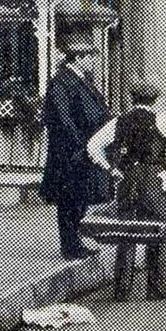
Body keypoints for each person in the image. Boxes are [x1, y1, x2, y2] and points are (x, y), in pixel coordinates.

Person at [97, 81, 166, 300]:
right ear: (154, 100)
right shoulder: (160, 120)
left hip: (128, 180)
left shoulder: (119, 122)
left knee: (126, 234)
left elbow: (93, 146)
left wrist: (111, 169)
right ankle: (156, 289)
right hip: (154, 181)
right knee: (159, 232)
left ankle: (122, 290)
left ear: (133, 99)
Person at [39, 37, 113, 260]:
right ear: (78, 58)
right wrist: (83, 144)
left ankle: (76, 242)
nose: (93, 61)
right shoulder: (61, 82)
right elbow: (63, 120)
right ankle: (70, 246)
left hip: (85, 149)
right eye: (90, 57)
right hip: (69, 152)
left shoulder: (82, 80)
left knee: (81, 197)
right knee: (69, 199)